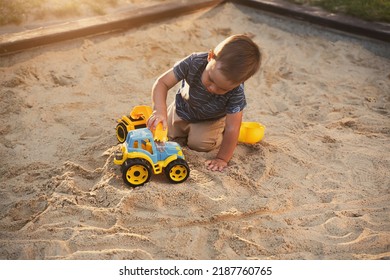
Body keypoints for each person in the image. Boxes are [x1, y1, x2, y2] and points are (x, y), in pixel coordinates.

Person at [147, 34, 261, 171]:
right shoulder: (193, 62)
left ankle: (220, 131)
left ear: (237, 84)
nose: (212, 88)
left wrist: (222, 158)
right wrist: (159, 111)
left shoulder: (237, 92)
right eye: (211, 79)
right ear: (210, 57)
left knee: (199, 145)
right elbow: (162, 83)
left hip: (209, 120)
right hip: (182, 108)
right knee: (160, 132)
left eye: (223, 89)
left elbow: (233, 128)